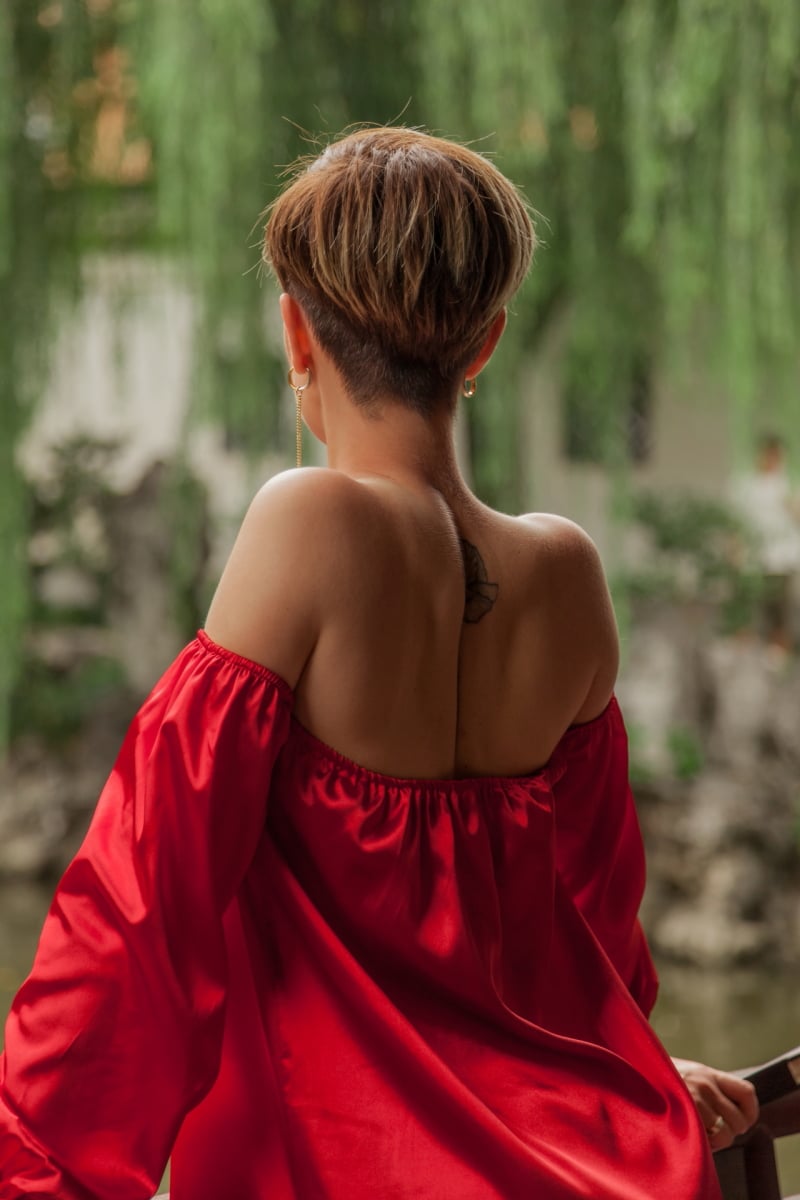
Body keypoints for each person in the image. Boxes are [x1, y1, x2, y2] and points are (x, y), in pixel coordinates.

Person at [0, 127, 756, 1199]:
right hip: (585, 1165)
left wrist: (32, 1168)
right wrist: (628, 1076)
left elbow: (143, 905)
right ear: (484, 344)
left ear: (295, 335)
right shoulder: (567, 574)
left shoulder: (305, 522)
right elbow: (591, 932)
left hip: (342, 1169)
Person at [732, 433, 800, 652]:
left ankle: (779, 650)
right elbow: (738, 519)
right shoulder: (748, 485)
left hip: (783, 556)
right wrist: (736, 547)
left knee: (780, 606)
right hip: (755, 555)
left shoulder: (788, 483)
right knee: (752, 603)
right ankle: (749, 648)